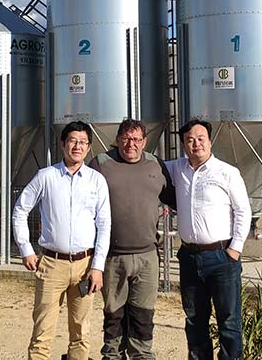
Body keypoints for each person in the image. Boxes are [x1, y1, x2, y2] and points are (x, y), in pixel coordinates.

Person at [12, 120, 112, 360]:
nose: (77, 146)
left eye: (83, 142)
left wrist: (97, 267)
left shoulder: (96, 180)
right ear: (63, 144)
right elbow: (20, 210)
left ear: (89, 148)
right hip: (51, 265)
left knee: (80, 332)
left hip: (85, 266)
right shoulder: (45, 176)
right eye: (73, 141)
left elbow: (104, 224)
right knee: (42, 332)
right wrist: (26, 249)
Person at [88, 119, 176, 360]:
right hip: (112, 258)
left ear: (144, 142)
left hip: (147, 256)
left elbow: (176, 199)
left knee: (143, 315)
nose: (131, 144)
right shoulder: (101, 164)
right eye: (126, 138)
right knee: (113, 314)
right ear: (118, 139)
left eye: (137, 139)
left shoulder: (155, 164)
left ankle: (141, 355)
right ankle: (112, 355)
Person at [166, 118, 251, 360]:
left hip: (221, 258)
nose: (196, 144)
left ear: (209, 141)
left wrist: (235, 249)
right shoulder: (177, 168)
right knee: (194, 321)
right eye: (190, 140)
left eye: (200, 138)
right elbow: (148, 165)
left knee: (229, 321)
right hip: (189, 257)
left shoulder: (226, 172)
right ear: (183, 144)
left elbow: (242, 210)